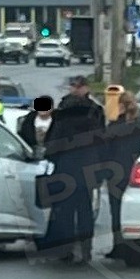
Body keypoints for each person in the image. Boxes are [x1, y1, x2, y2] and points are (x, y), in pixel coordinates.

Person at [40, 76, 107, 264]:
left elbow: (53, 140)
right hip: (87, 168)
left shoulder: (63, 110)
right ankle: (86, 250)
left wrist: (51, 157)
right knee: (85, 209)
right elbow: (102, 141)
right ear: (87, 89)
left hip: (66, 167)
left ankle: (65, 250)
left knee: (65, 210)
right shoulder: (95, 111)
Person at [103, 91, 140, 260]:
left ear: (121, 106)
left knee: (116, 211)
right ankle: (133, 246)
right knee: (134, 212)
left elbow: (105, 150)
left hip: (115, 174)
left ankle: (118, 246)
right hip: (137, 175)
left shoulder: (114, 126)